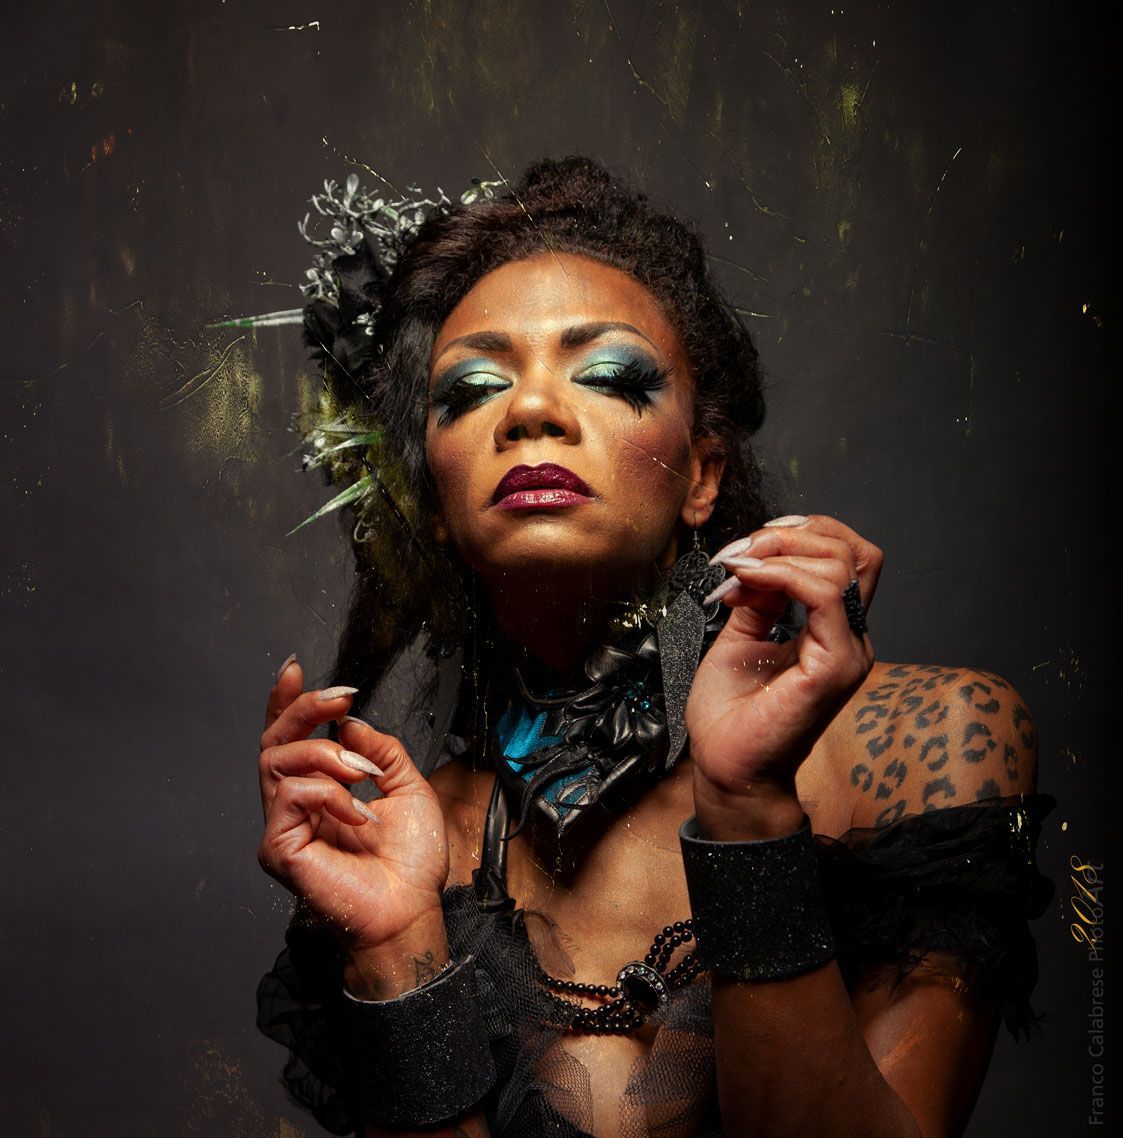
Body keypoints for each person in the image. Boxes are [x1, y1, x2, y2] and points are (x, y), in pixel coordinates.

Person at [253, 156, 1053, 1138]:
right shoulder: (402, 849)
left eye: (605, 374)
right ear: (434, 512)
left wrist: (748, 808)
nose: (530, 410)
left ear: (702, 476)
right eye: (472, 388)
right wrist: (394, 945)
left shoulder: (926, 738)